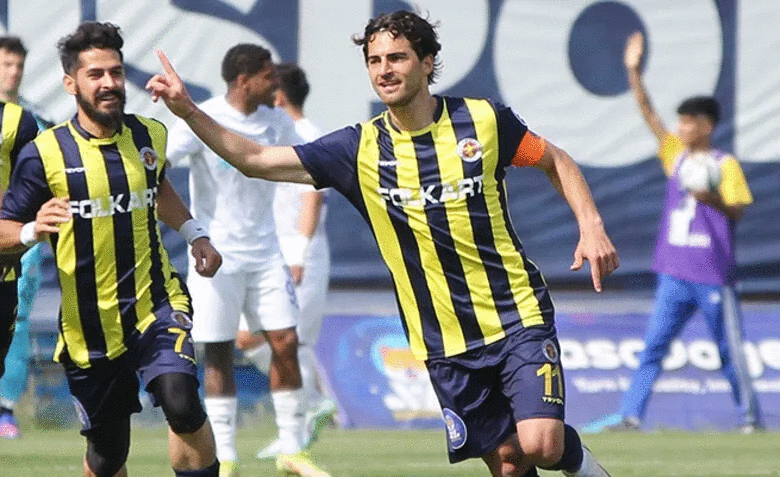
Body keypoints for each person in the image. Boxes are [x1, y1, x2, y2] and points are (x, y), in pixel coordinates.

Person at [149, 10, 618, 477]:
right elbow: (254, 159)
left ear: (427, 63)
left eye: (397, 58)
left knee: (540, 443)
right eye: (375, 61)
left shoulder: (483, 121)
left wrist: (591, 224)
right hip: (442, 338)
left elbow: (554, 159)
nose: (384, 70)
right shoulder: (360, 148)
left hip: (516, 313)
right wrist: (189, 110)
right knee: (510, 463)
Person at [0, 22, 222, 476]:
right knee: (107, 456)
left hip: (156, 305)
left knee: (181, 402)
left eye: (116, 72)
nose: (109, 84)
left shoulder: (149, 135)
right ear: (71, 84)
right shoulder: (44, 153)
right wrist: (31, 231)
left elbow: (156, 187)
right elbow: (6, 226)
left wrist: (195, 233)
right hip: (90, 328)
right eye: (96, 74)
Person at [166, 45, 329, 477]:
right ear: (244, 81)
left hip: (267, 254)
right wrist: (192, 230)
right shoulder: (203, 117)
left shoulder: (278, 122)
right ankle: (227, 456)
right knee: (219, 353)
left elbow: (310, 174)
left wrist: (298, 249)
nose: (275, 83)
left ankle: (291, 450)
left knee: (286, 343)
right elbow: (159, 166)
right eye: (267, 76)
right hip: (216, 258)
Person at [597, 31, 760, 433]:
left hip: (713, 274)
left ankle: (750, 419)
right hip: (674, 271)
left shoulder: (725, 164)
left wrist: (711, 199)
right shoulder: (677, 156)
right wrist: (633, 71)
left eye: (689, 121)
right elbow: (648, 113)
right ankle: (631, 415)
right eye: (682, 121)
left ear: (707, 125)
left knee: (728, 350)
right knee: (653, 347)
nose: (682, 127)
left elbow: (737, 212)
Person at [233, 62, 336, 460]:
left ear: (277, 96)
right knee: (254, 338)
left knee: (287, 339)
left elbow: (312, 198)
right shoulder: (273, 135)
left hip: (300, 254)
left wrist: (299, 253)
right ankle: (308, 409)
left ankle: (300, 422)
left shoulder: (307, 136)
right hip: (270, 251)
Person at [0, 35, 54, 439]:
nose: (13, 72)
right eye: (6, 64)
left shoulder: (32, 123)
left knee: (15, 320)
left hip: (19, 238)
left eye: (18, 65)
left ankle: (5, 408)